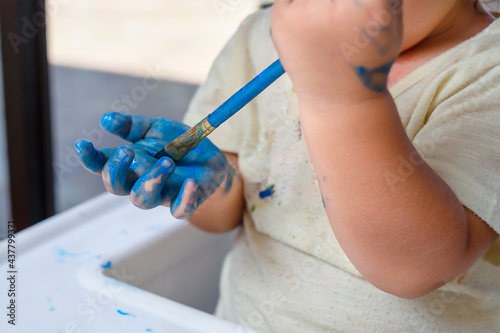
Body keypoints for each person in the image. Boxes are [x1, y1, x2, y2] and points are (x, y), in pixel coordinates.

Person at [76, 0, 500, 331]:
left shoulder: (487, 72)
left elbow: (417, 267)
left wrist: (342, 100)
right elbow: (232, 209)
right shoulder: (260, 40)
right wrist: (213, 185)